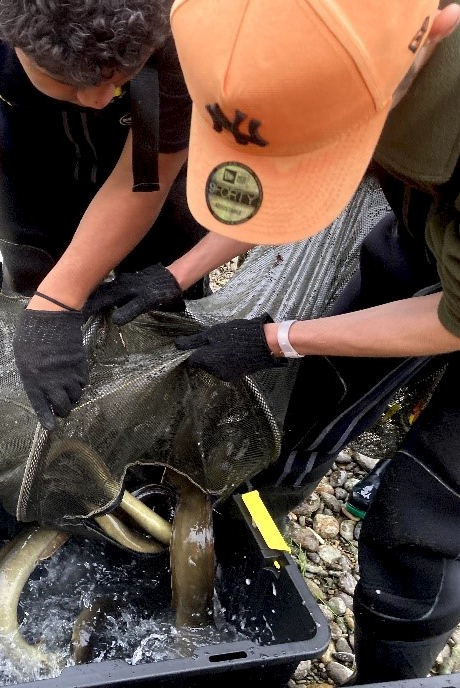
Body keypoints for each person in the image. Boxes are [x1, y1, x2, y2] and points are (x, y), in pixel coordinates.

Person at [71, 0, 460, 682]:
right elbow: (296, 169)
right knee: (326, 381)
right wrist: (175, 272)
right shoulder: (328, 37)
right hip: (427, 214)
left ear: (437, 29)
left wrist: (280, 338)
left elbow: (452, 320)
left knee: (419, 517)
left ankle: (390, 678)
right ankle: (256, 517)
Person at [0, 0, 211, 429]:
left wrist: (63, 298)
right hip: (29, 136)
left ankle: (159, 423)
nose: (97, 99)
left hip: (146, 134)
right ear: (10, 37)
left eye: (115, 78)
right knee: (33, 276)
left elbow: (154, 165)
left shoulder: (194, 18)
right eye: (69, 80)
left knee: (159, 295)